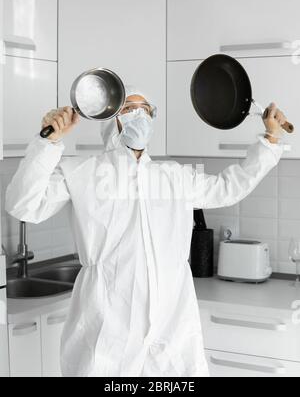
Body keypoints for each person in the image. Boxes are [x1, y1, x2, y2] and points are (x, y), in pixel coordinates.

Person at [5, 85, 288, 377]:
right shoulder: (83, 172)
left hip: (170, 335)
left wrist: (270, 139)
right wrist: (48, 142)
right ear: (111, 119)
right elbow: (23, 206)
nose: (139, 116)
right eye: (128, 109)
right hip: (106, 334)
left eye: (146, 110)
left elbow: (230, 188)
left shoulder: (174, 177)